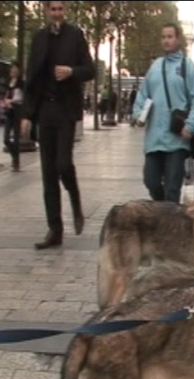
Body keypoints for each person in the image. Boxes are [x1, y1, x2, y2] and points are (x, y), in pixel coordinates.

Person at [21, 0, 95, 250]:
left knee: (63, 163)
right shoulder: (39, 38)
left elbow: (90, 70)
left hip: (65, 110)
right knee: (48, 174)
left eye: (60, 9)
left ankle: (75, 200)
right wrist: (27, 114)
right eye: (52, 9)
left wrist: (72, 71)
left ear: (66, 11)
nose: (57, 13)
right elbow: (31, 78)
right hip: (45, 110)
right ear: (46, 11)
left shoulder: (75, 35)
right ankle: (55, 229)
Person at [133, 23, 194, 203]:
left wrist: (191, 126)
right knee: (151, 181)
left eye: (170, 36)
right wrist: (138, 115)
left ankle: (169, 225)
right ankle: (163, 212)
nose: (166, 40)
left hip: (177, 141)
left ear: (178, 39)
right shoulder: (155, 67)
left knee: (173, 189)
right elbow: (143, 95)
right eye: (163, 37)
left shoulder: (188, 67)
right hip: (154, 140)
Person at [2, 61, 23, 172]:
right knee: (6, 139)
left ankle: (16, 162)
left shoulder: (21, 83)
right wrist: (5, 101)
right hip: (9, 112)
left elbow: (22, 99)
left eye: (15, 68)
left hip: (17, 111)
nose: (13, 71)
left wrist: (13, 101)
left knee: (16, 139)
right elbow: (6, 95)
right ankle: (15, 156)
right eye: (12, 69)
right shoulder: (8, 83)